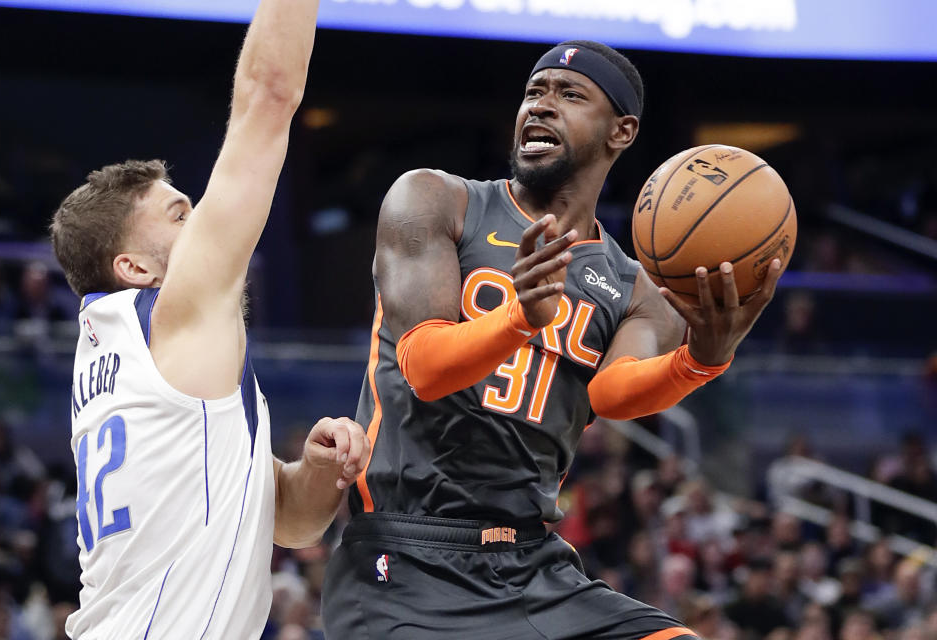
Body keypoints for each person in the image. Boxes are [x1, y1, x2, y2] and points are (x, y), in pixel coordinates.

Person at [323, 40, 783, 638]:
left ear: (621, 131)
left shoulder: (635, 289)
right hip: (405, 555)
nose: (540, 106)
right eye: (533, 93)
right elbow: (424, 367)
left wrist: (701, 361)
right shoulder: (436, 200)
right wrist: (518, 318)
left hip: (531, 563)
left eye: (569, 95)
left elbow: (614, 396)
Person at [49, 1, 370, 637]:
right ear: (135, 268)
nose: (203, 226)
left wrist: (312, 475)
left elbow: (287, 524)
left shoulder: (124, 353)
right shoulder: (173, 318)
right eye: (178, 217)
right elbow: (269, 95)